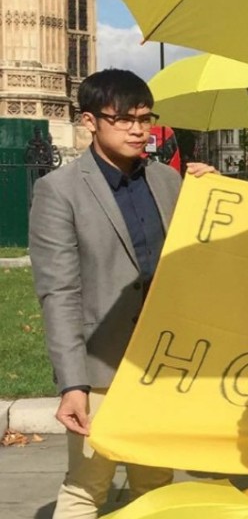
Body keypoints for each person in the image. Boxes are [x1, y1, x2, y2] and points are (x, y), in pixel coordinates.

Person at [29, 69, 215, 519]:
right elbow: (59, 292)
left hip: (161, 361)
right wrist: (72, 383)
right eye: (124, 119)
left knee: (154, 484)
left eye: (145, 118)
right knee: (87, 486)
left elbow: (196, 259)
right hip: (100, 368)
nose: (138, 129)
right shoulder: (59, 190)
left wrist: (210, 193)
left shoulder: (168, 182)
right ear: (90, 122)